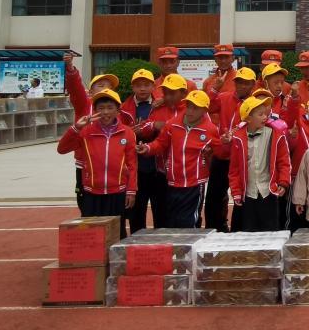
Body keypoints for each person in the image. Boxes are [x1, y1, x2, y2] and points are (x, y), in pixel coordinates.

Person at [57, 89, 136, 238]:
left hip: (117, 193)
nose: (105, 112)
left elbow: (132, 164)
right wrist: (76, 128)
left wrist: (131, 190)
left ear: (118, 110)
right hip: (91, 193)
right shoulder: (85, 132)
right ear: (94, 110)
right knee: (92, 234)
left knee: (117, 233)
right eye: (101, 108)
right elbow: (62, 149)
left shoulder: (127, 133)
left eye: (110, 107)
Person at [138, 90, 221, 229]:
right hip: (173, 182)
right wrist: (147, 148)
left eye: (195, 108)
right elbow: (160, 143)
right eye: (188, 106)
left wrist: (219, 148)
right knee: (172, 222)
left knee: (188, 223)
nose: (190, 111)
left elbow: (220, 152)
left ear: (205, 110)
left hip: (195, 183)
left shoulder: (210, 129)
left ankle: (191, 243)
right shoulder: (172, 124)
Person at [229, 95, 291, 232]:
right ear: (248, 118)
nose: (265, 117)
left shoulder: (276, 134)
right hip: (248, 193)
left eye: (265, 113)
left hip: (268, 191)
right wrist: (236, 191)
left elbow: (284, 161)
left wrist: (283, 182)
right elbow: (234, 169)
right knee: (248, 231)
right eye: (260, 114)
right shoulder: (238, 138)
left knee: (271, 231)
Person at [206, 67, 257, 232]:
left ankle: (238, 231)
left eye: (246, 83)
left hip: (242, 158)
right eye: (239, 82)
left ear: (253, 84)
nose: (242, 86)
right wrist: (215, 88)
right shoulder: (224, 97)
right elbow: (207, 106)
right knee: (214, 197)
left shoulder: (255, 104)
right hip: (221, 155)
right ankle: (215, 229)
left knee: (240, 196)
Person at [121, 69, 163, 232]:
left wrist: (152, 128)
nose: (143, 88)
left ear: (153, 86)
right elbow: (119, 133)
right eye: (138, 85)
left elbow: (169, 126)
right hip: (136, 168)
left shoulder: (161, 104)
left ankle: (162, 244)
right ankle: (136, 244)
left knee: (161, 213)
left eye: (146, 85)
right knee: (136, 215)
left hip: (158, 167)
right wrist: (130, 133)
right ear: (132, 87)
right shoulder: (124, 108)